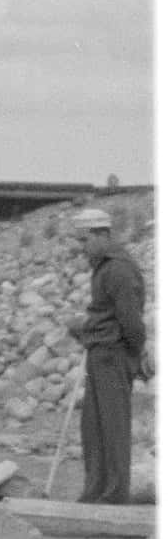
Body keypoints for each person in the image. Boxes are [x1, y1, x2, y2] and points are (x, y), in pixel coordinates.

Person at [66, 208, 152, 504]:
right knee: (93, 427)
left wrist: (136, 353)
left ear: (102, 234)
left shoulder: (118, 269)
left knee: (113, 426)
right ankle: (94, 491)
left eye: (85, 240)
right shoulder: (104, 267)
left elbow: (131, 320)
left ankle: (114, 495)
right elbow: (108, 314)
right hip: (101, 352)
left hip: (113, 354)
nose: (82, 247)